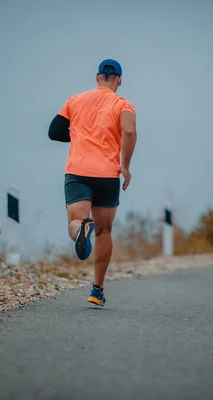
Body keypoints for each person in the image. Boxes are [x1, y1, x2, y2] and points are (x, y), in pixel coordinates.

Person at [48, 59, 137, 306]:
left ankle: (81, 230)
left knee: (76, 221)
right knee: (105, 231)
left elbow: (54, 132)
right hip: (108, 174)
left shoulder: (74, 101)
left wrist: (78, 134)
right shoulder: (123, 105)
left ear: (97, 77)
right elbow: (129, 132)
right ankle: (97, 290)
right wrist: (126, 166)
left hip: (78, 171)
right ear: (119, 80)